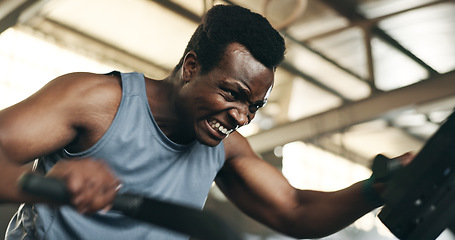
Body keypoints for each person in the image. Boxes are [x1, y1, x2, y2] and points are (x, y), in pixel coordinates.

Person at [0, 4, 410, 240]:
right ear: (191, 67)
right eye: (232, 94)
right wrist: (47, 188)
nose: (242, 118)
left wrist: (375, 190)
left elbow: (295, 209)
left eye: (255, 106)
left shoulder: (224, 148)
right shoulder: (96, 101)